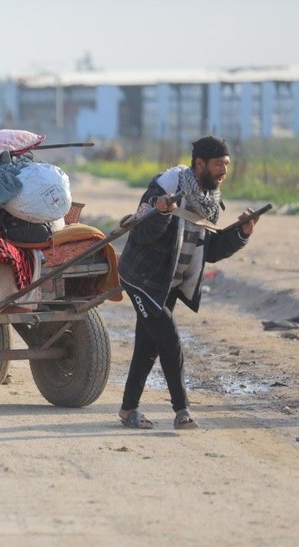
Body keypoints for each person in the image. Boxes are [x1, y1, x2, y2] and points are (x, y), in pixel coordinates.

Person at [117, 136, 259, 430]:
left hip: (169, 282)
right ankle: (182, 411)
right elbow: (141, 234)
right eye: (219, 164)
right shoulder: (164, 189)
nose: (224, 171)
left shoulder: (210, 203)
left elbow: (212, 250)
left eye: (227, 165)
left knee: (148, 345)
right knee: (168, 337)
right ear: (200, 164)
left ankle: (128, 409)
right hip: (142, 277)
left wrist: (242, 233)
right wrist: (163, 214)